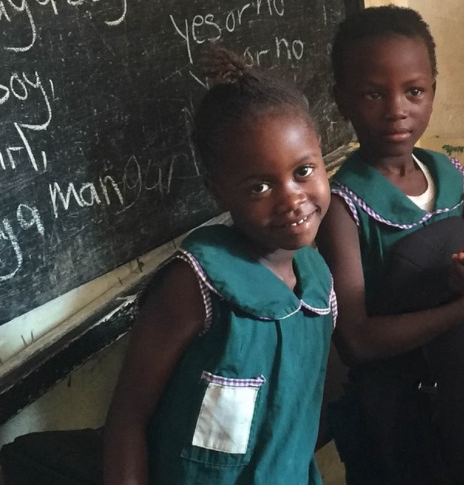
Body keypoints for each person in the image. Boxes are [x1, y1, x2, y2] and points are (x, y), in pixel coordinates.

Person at [316, 5, 464, 485]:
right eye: (373, 93)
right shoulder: (342, 206)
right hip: (402, 418)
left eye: (413, 91)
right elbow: (357, 340)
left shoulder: (453, 176)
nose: (396, 109)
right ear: (341, 100)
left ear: (433, 89)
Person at [103, 44, 335, 485]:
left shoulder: (318, 284)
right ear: (219, 192)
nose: (291, 198)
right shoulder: (196, 285)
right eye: (259, 187)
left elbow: (294, 423)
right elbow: (127, 419)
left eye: (303, 171)